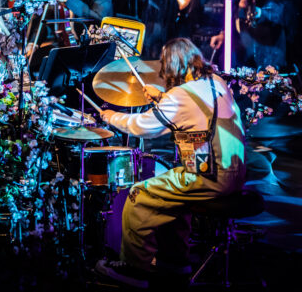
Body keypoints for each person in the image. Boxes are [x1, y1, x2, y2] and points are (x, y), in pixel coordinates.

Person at [95, 38, 245, 288]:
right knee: (170, 197)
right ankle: (174, 263)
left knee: (139, 195)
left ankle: (134, 270)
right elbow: (193, 110)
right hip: (234, 173)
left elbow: (141, 126)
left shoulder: (180, 95)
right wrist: (163, 97)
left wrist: (109, 116)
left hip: (210, 178)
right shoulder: (216, 83)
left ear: (172, 65)